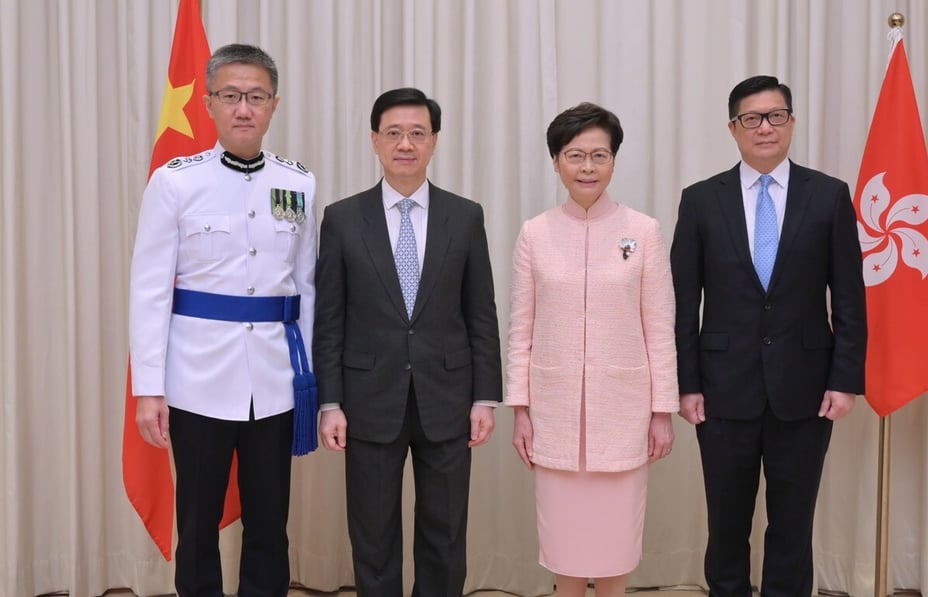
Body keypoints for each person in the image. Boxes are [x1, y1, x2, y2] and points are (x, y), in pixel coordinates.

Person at [129, 43, 317, 596]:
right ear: (208, 103)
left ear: (274, 104)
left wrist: (309, 380)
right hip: (197, 381)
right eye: (231, 96)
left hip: (275, 382)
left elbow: (306, 286)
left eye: (256, 97)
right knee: (197, 524)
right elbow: (149, 290)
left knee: (270, 525)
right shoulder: (175, 181)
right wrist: (149, 388)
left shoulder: (298, 183)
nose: (243, 108)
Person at [670, 75, 867, 596]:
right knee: (726, 525)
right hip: (721, 391)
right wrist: (687, 384)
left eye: (776, 116)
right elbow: (683, 303)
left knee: (793, 526)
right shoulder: (700, 200)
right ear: (733, 128)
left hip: (806, 389)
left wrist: (845, 380)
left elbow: (850, 296)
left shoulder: (828, 196)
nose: (765, 127)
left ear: (792, 123)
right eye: (752, 118)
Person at [313, 87, 502, 597]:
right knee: (372, 534)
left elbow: (480, 312)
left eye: (417, 133)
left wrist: (485, 397)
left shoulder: (465, 215)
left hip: (448, 397)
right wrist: (329, 402)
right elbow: (329, 319)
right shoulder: (342, 218)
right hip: (368, 399)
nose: (405, 144)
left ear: (434, 141)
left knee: (446, 532)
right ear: (375, 140)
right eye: (394, 133)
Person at [505, 102, 678, 597]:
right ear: (556, 162)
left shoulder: (642, 231)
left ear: (614, 161)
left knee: (616, 542)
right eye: (575, 155)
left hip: (624, 414)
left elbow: (659, 327)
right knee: (564, 542)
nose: (587, 167)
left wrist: (661, 411)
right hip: (554, 412)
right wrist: (521, 410)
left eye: (599, 155)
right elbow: (521, 329)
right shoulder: (535, 233)